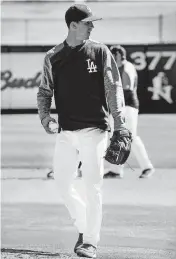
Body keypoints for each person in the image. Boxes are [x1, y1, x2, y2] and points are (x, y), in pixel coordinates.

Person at [37, 4, 128, 258]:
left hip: (96, 129)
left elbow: (113, 88)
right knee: (63, 182)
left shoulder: (100, 51)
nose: (92, 26)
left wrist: (120, 124)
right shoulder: (53, 56)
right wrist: (46, 119)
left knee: (93, 185)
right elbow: (45, 91)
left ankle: (90, 241)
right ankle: (83, 226)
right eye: (88, 22)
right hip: (66, 131)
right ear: (73, 25)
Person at [104, 45, 155, 179]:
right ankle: (115, 170)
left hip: (127, 105)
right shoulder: (118, 67)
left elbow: (127, 88)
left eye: (112, 55)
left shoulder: (127, 67)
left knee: (131, 137)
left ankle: (147, 167)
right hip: (122, 105)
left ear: (119, 56)